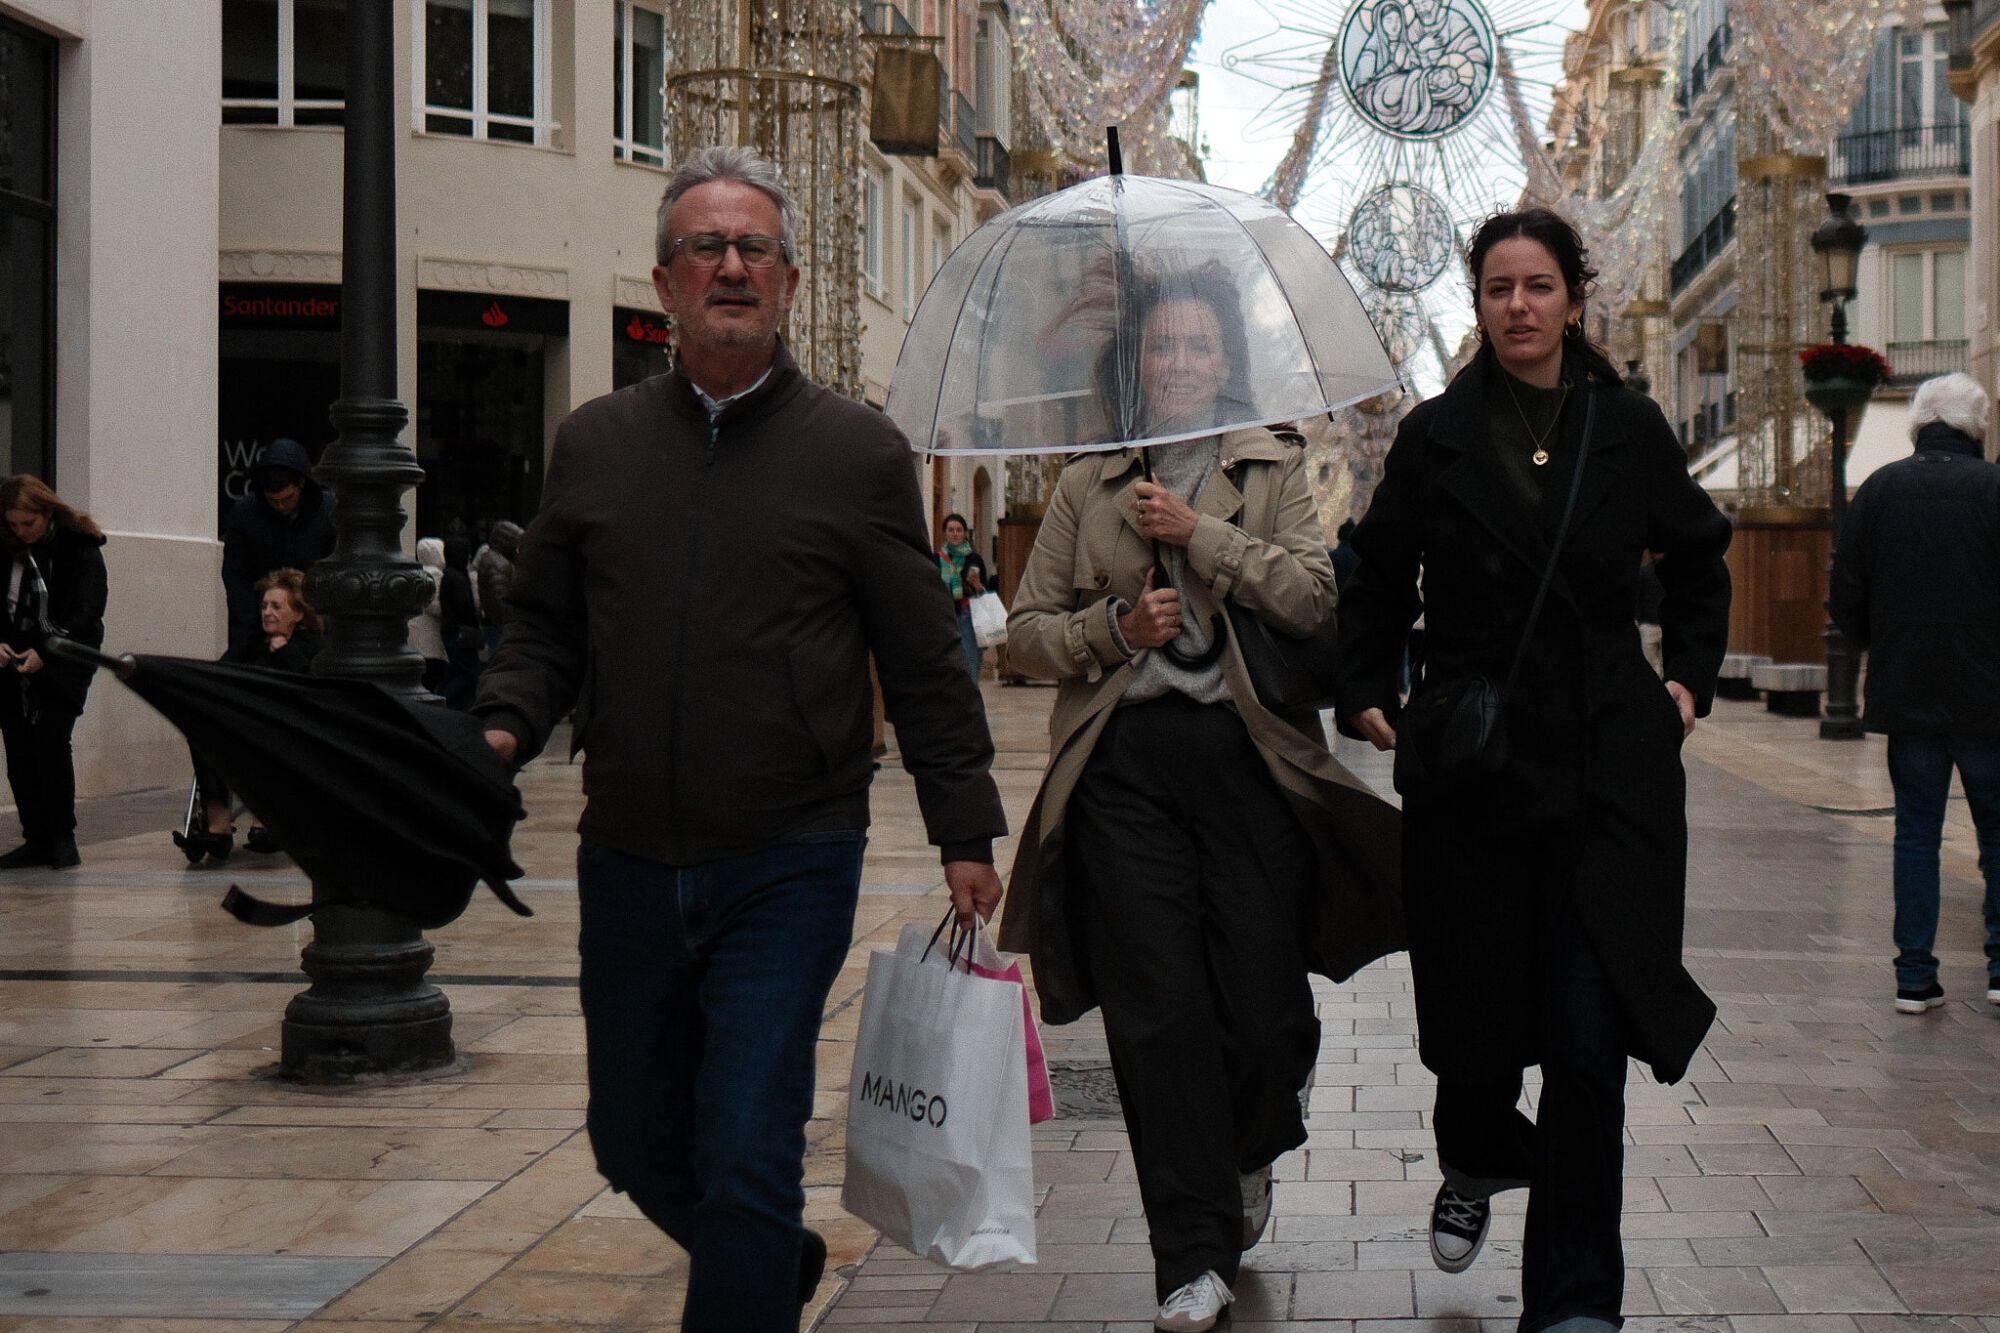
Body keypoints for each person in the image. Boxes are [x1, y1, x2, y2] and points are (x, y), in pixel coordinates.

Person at [472, 145, 1005, 1333]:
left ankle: (749, 1267)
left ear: (789, 283)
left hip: (789, 854)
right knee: (630, 1139)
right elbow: (544, 627)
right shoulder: (596, 443)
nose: (730, 267)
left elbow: (924, 657)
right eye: (704, 248)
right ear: (662, 282)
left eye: (753, 248)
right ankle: (768, 1258)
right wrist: (502, 724)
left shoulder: (857, 453)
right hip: (626, 852)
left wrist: (963, 825)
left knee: (747, 1142)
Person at [1332, 208, 1732, 1333]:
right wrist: (1364, 686)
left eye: (1538, 285)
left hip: (1606, 778)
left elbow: (1699, 556)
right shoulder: (1436, 436)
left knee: (1586, 1050)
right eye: (1499, 287)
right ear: (1477, 304)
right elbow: (1375, 574)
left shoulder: (1627, 425)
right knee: (1471, 1040)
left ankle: (1573, 1304)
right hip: (1473, 778)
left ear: (1572, 299)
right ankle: (1473, 1148)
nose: (1519, 305)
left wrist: (1686, 684)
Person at [1002, 263, 1402, 1333]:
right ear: (1134, 363)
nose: (1179, 363)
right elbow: (1024, 634)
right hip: (1122, 771)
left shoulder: (1269, 465)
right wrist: (1113, 630)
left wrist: (1198, 535)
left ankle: (1250, 1142)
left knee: (1265, 1013)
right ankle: (1190, 1253)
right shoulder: (1088, 481)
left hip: (1246, 762)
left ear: (1226, 360)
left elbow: (1313, 599)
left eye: (1197, 346)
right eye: (1161, 346)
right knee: (1157, 1013)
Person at [1828, 371, 2000, 1015]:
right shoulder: (1995, 489)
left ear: (1920, 422)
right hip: (1989, 698)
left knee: (1916, 834)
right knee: (1997, 835)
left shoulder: (1880, 489)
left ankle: (1915, 976)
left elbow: (1845, 590)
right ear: (1975, 426)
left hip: (1908, 695)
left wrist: (1882, 647)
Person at [175, 568, 324, 864]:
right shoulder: (251, 643)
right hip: (243, 728)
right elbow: (219, 675)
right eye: (265, 606)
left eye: (276, 606)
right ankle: (218, 824)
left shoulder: (313, 647)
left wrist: (284, 652)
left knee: (271, 738)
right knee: (203, 729)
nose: (267, 612)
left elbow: (310, 688)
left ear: (297, 614)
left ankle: (266, 820)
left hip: (290, 733)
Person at [0, 476, 108, 871]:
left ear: (47, 513)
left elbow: (87, 611)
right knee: (18, 747)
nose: (21, 532)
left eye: (28, 523)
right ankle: (36, 836)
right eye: (13, 524)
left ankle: (62, 836)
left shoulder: (78, 546)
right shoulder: (8, 548)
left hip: (65, 655)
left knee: (51, 740)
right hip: (13, 656)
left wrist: (47, 652)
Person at [220, 439, 336, 652]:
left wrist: (320, 624)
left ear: (301, 484)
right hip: (257, 628)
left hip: (313, 628)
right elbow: (237, 578)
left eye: (287, 498)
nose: (281, 506)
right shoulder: (245, 515)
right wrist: (250, 632)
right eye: (274, 501)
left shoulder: (328, 513)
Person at [937, 511, 989, 682]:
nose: (955, 534)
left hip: (969, 617)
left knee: (970, 662)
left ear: (965, 533)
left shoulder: (974, 558)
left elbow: (984, 591)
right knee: (945, 664)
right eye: (951, 530)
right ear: (945, 533)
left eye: (959, 530)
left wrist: (977, 585)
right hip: (944, 617)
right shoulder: (937, 559)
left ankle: (971, 696)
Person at [438, 537, 481, 709]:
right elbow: (464, 607)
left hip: (453, 631)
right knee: (465, 673)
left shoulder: (449, 574)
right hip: (460, 632)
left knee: (456, 672)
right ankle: (442, 700)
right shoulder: (457, 577)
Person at [474, 520, 522, 660]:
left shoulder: (496, 560)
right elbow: (500, 598)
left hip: (497, 624)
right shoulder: (499, 564)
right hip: (500, 626)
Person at [410, 537, 449, 695]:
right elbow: (434, 606)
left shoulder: (416, 573)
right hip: (429, 635)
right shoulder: (436, 575)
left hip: (415, 634)